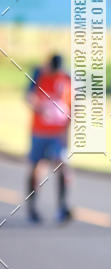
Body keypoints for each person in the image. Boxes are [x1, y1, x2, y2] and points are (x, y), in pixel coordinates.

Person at [25, 53, 73, 223]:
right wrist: (40, 109)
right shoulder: (39, 74)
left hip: (58, 133)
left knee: (62, 166)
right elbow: (28, 97)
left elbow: (74, 105)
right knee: (37, 168)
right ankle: (32, 208)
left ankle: (62, 207)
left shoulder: (67, 77)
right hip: (39, 131)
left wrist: (67, 130)